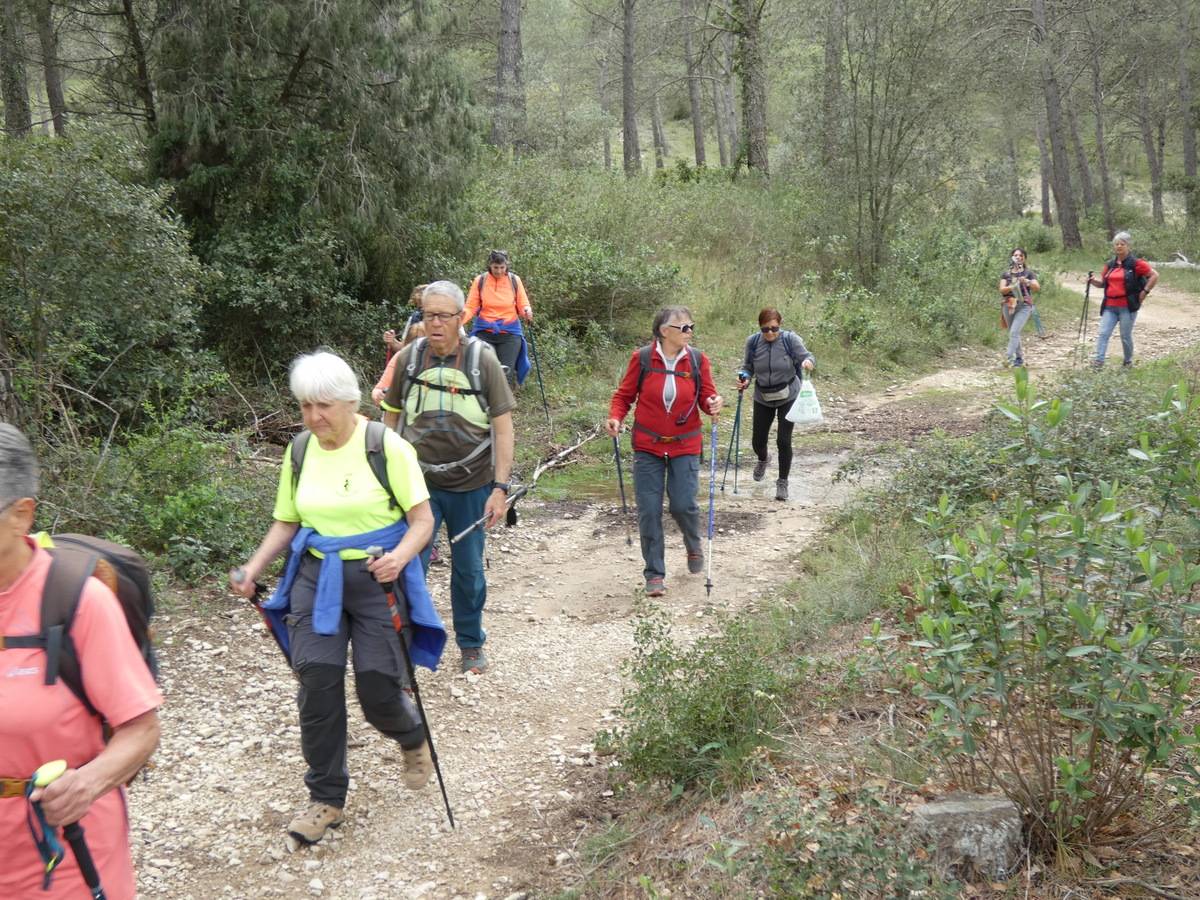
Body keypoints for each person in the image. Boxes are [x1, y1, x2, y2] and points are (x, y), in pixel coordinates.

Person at [230, 351, 445, 845]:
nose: (312, 417)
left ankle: (412, 738)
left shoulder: (385, 447)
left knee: (377, 690)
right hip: (316, 578)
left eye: (322, 406)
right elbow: (288, 520)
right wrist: (253, 568)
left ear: (350, 401)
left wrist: (399, 557)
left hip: (377, 581)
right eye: (305, 406)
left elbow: (423, 521)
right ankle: (326, 799)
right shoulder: (301, 450)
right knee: (318, 685)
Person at [0, 424, 162, 899]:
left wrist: (87, 784)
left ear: (21, 515)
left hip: (66, 855)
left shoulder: (76, 602)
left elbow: (141, 728)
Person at [382, 281, 516, 675]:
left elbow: (503, 428)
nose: (435, 323)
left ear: (461, 318)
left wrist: (500, 488)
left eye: (443, 315)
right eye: (428, 315)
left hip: (472, 484)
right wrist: (386, 475)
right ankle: (406, 647)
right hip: (417, 486)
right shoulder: (408, 359)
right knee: (409, 568)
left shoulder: (482, 360)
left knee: (469, 571)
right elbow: (390, 416)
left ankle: (471, 643)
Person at [606, 306, 723, 597]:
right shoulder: (643, 358)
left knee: (683, 504)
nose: (689, 332)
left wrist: (714, 404)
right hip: (648, 445)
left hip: (685, 443)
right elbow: (624, 396)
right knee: (648, 510)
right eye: (683, 327)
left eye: (691, 326)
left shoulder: (697, 360)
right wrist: (616, 418)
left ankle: (693, 543)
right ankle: (654, 573)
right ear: (664, 331)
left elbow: (706, 396)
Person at [735, 308, 815, 502]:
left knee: (783, 441)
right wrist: (744, 378)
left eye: (774, 328)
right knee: (757, 442)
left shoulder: (790, 340)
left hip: (789, 394)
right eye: (765, 329)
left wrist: (807, 363)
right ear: (759, 328)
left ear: (780, 325)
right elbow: (748, 367)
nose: (770, 333)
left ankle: (782, 482)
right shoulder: (753, 342)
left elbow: (808, 356)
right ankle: (763, 458)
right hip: (763, 396)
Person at [1086, 231, 1159, 368]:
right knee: (1103, 333)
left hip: (1127, 306)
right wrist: (1092, 281)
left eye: (1122, 244)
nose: (1119, 246)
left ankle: (1127, 362)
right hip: (1110, 306)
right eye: (1116, 244)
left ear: (1128, 246)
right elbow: (1103, 284)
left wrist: (1144, 292)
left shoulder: (1136, 263)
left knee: (1125, 336)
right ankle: (1098, 362)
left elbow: (1154, 275)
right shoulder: (1110, 264)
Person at [462, 250, 533, 386]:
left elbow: (523, 304)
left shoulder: (514, 280)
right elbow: (470, 307)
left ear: (507, 266)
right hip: (484, 332)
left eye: (502, 267)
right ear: (490, 265)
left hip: (510, 334)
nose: (499, 271)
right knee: (482, 370)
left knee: (505, 374)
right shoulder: (480, 280)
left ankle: (502, 406)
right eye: (496, 267)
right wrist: (458, 321)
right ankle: (483, 405)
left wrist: (527, 312)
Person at [373, 284, 429, 405]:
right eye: (419, 307)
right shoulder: (414, 318)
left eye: (424, 307)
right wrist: (392, 341)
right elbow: (405, 348)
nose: (422, 312)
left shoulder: (450, 322)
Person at [999, 248, 1041, 368]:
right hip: (1008, 304)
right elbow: (1001, 289)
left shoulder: (1028, 273)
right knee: (1013, 333)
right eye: (1015, 255)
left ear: (1024, 258)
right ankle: (1019, 358)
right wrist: (1013, 286)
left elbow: (1037, 287)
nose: (1018, 257)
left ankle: (1008, 358)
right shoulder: (1006, 274)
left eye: (1020, 255)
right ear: (1012, 257)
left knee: (1014, 332)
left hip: (1024, 306)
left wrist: (1027, 281)